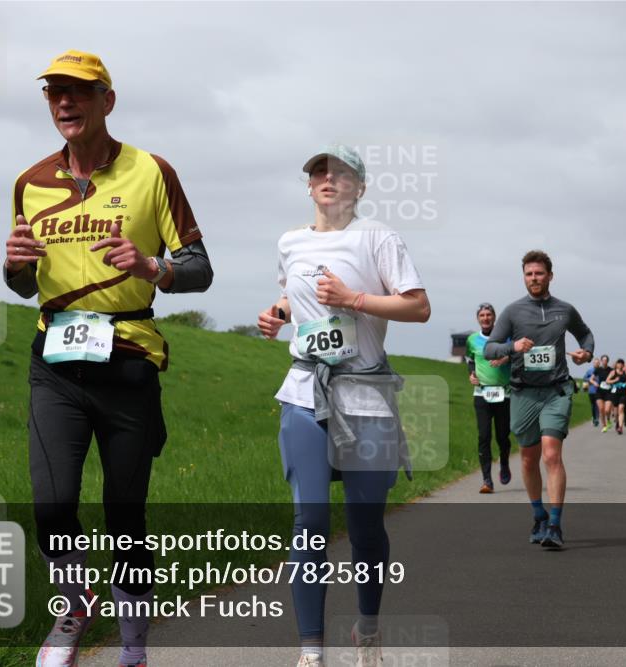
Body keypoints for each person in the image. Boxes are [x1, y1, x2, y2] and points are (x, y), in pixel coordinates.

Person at [3, 50, 213, 667]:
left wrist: (153, 266)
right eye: (54, 93)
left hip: (128, 362)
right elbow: (21, 281)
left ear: (106, 102)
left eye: (79, 92)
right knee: (51, 502)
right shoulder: (29, 183)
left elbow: (199, 269)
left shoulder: (153, 172)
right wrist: (15, 266)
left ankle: (132, 651)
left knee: (125, 517)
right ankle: (73, 608)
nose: (64, 102)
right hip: (56, 364)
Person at [257, 145, 430, 667]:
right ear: (309, 186)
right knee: (308, 519)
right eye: (318, 172)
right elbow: (295, 292)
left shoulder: (379, 237)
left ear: (360, 187)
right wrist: (278, 312)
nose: (328, 179)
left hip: (367, 397)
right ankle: (311, 649)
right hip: (305, 391)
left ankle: (369, 629)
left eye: (341, 173)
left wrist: (353, 299)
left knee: (365, 526)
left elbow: (418, 306)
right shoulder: (290, 242)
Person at [484, 250, 594, 550]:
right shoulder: (512, 312)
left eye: (539, 273)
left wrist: (587, 353)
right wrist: (512, 345)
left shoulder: (564, 310)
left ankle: (556, 525)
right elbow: (488, 349)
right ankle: (538, 516)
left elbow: (585, 335)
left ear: (550, 276)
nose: (534, 278)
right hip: (522, 393)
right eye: (529, 274)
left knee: (551, 455)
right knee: (530, 458)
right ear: (524, 277)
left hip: (556, 391)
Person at [466, 303, 513, 493]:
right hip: (482, 394)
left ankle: (504, 463)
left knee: (503, 437)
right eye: (482, 315)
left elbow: (516, 354)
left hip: (504, 393)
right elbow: (470, 360)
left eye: (489, 315)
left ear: (494, 317)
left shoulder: (504, 337)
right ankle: (487, 480)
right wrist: (471, 374)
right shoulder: (472, 340)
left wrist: (505, 358)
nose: (485, 318)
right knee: (484, 437)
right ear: (478, 318)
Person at [605, 359, 626, 435]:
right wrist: (615, 380)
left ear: (623, 365)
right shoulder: (613, 372)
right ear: (616, 365)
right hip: (615, 393)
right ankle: (617, 423)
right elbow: (607, 381)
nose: (620, 365)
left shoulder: (625, 372)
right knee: (616, 413)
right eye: (619, 363)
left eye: (621, 363)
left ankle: (620, 427)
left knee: (621, 409)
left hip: (623, 393)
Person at [594, 354, 613, 432]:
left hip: (608, 391)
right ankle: (604, 426)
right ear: (601, 361)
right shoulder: (598, 369)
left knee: (607, 410)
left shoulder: (611, 370)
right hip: (599, 391)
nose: (604, 361)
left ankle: (608, 420)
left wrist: (611, 382)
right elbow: (591, 378)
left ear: (607, 361)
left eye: (606, 360)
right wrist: (594, 382)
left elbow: (615, 379)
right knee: (601, 409)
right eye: (603, 360)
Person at [582, 358, 600, 427]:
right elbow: (584, 378)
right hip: (591, 390)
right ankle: (593, 417)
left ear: (599, 364)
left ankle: (597, 419)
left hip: (599, 391)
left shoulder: (600, 370)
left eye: (597, 363)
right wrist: (590, 380)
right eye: (595, 363)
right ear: (593, 363)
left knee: (597, 405)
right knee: (593, 405)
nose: (596, 364)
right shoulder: (590, 371)